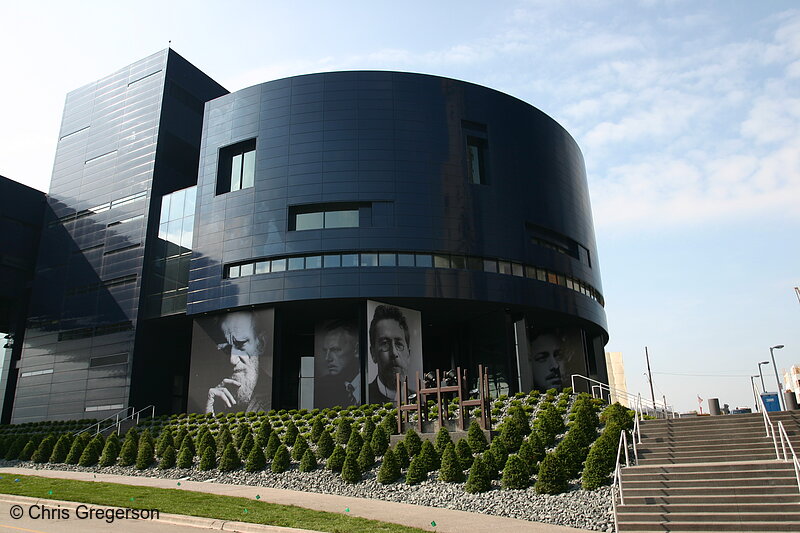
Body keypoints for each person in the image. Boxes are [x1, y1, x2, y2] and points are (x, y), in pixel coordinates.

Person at [205, 310, 271, 414]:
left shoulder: (275, 399)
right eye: (225, 349)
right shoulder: (215, 399)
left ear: (261, 344)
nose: (232, 360)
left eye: (241, 344)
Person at [368, 304, 411, 404]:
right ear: (373, 353)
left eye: (399, 344)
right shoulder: (363, 398)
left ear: (409, 353)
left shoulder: (420, 398)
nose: (394, 353)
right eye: (385, 343)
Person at [315, 320, 360, 408]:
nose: (327, 358)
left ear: (356, 350)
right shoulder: (324, 387)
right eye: (325, 351)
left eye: (335, 350)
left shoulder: (376, 384)